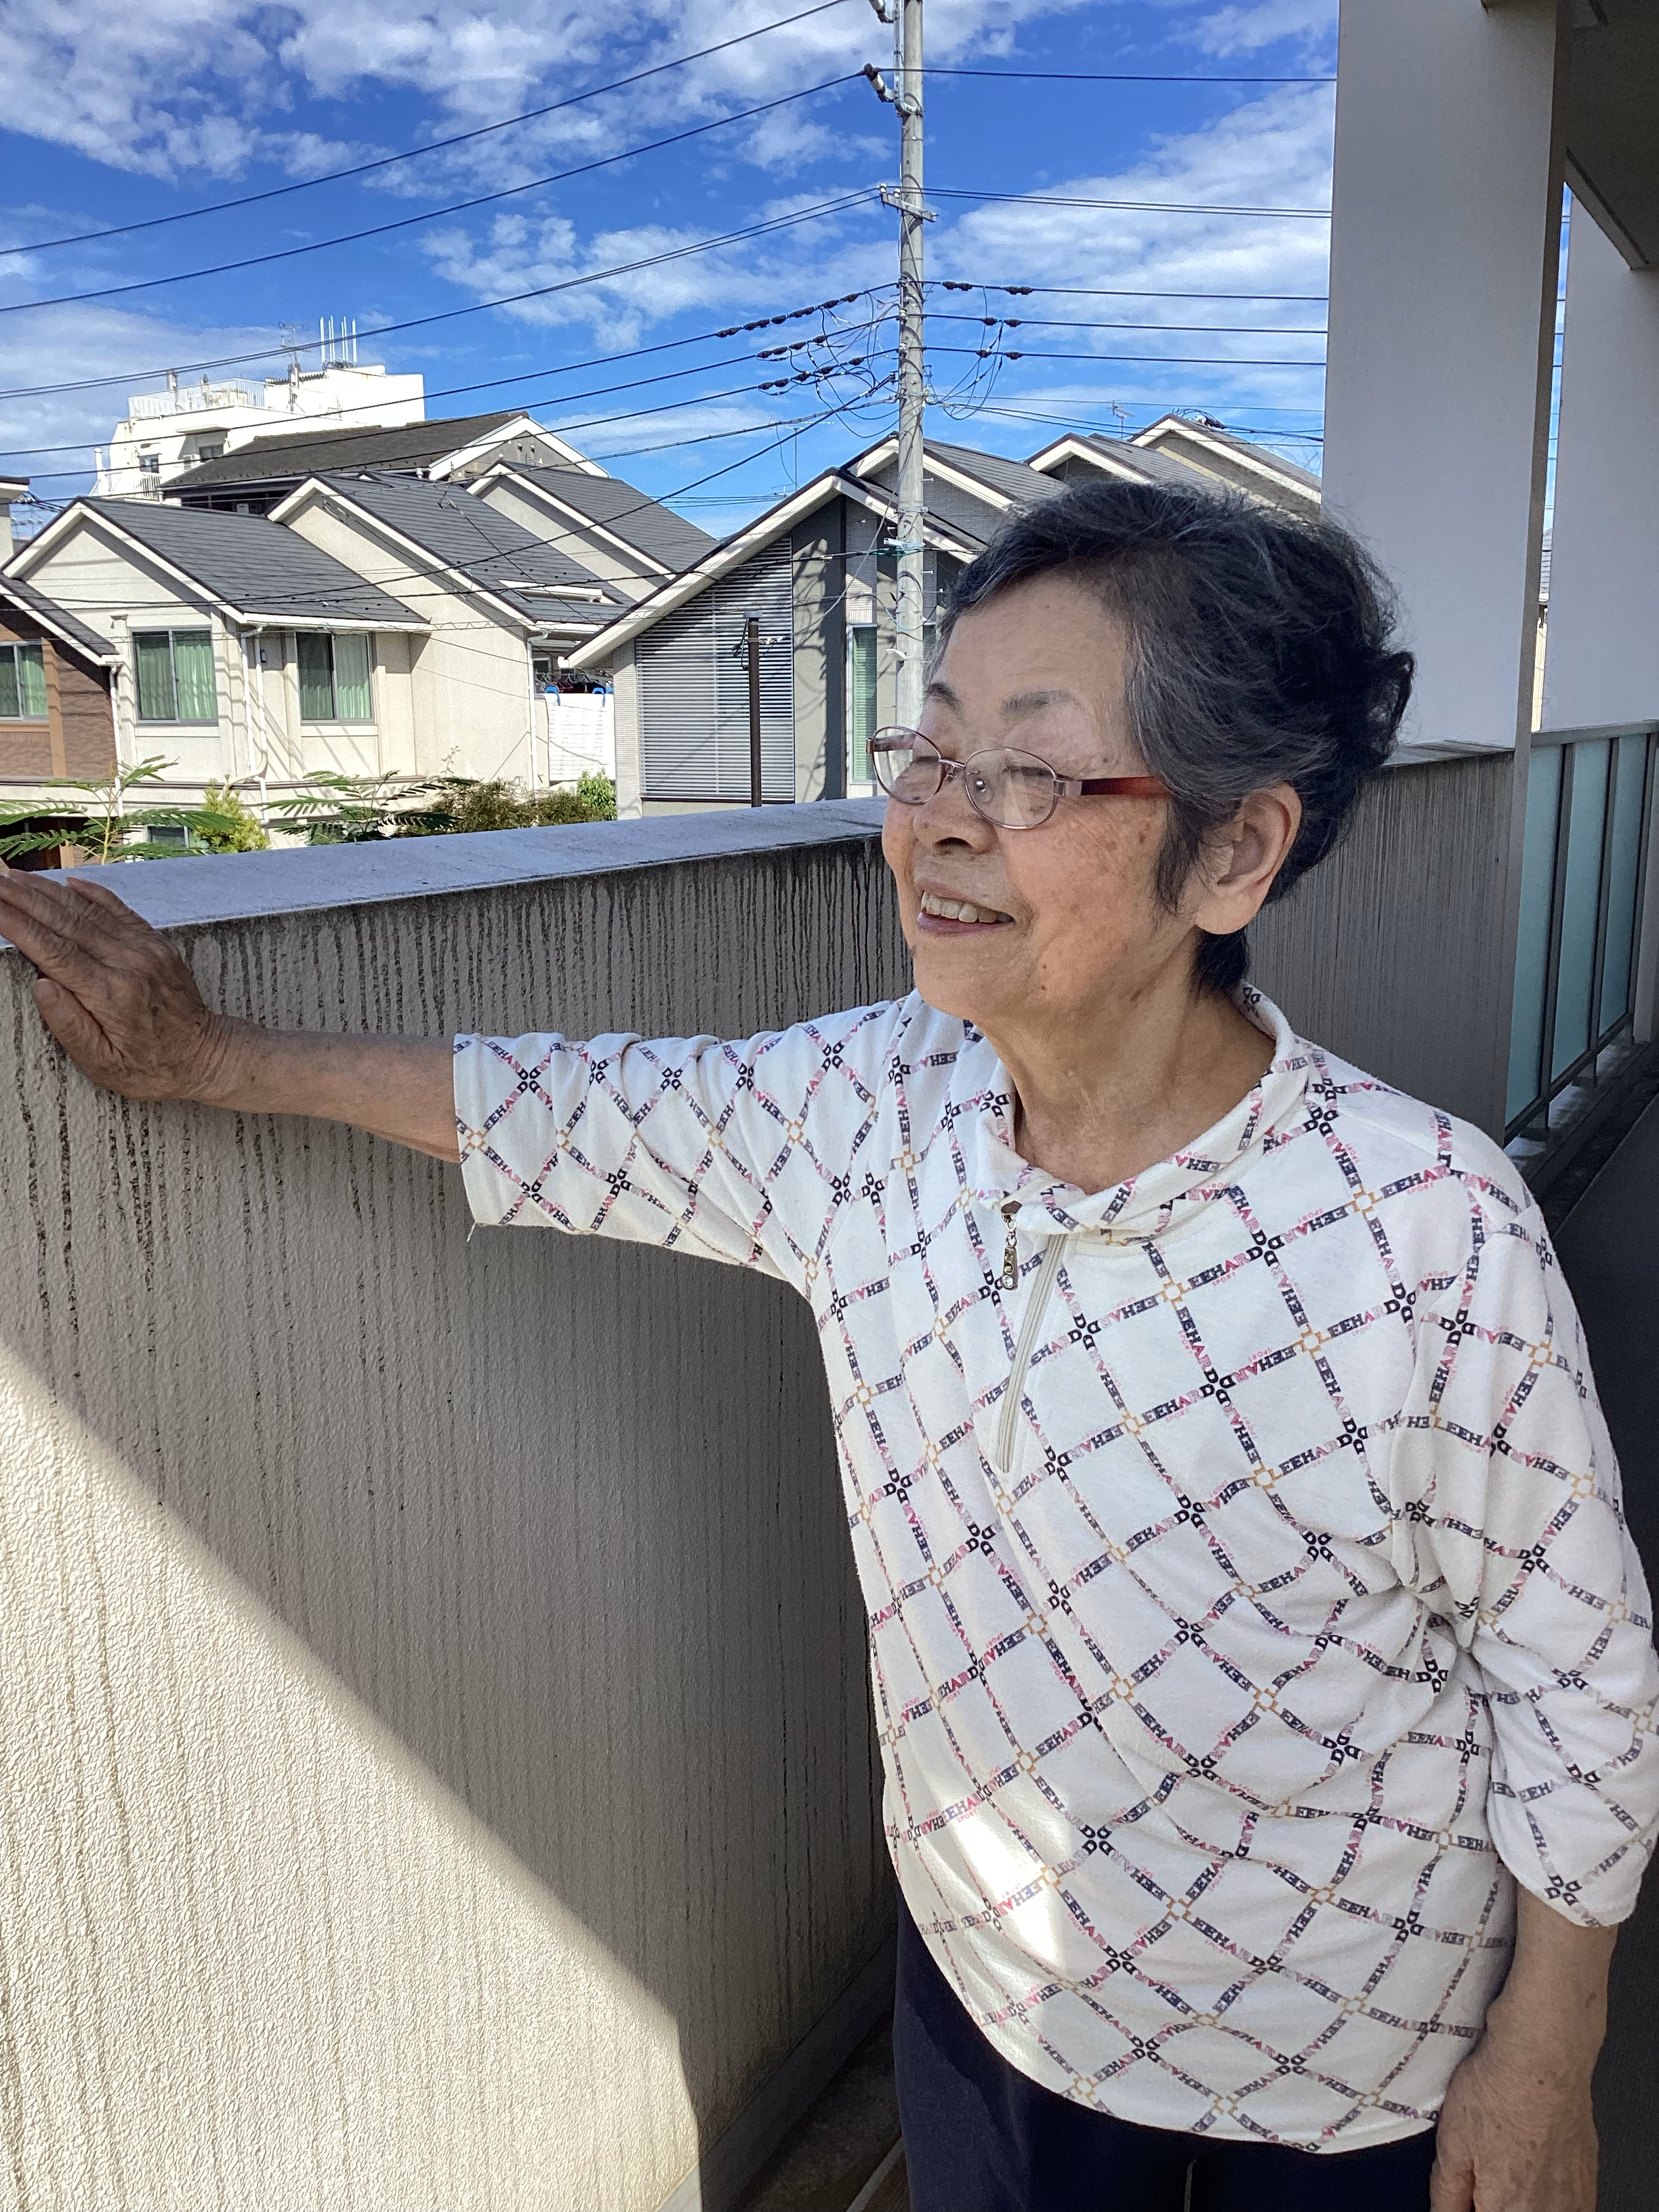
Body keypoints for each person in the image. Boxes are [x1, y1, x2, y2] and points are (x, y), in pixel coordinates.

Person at [1, 480, 1654, 2212]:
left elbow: (1578, 1682)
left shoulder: (1426, 1226)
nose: (941, 823)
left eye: (1029, 772)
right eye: (929, 754)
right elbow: (564, 1108)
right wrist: (216, 1057)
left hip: (1349, 2045)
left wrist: (1544, 2055)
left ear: (1234, 852)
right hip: (989, 1987)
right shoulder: (871, 1106)